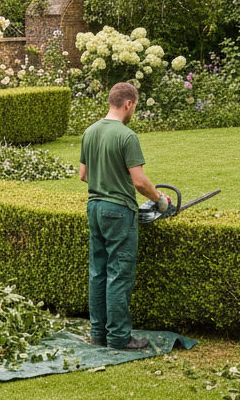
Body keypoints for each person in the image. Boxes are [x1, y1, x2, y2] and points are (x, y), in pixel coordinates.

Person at [79, 81, 171, 351]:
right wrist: (160, 201)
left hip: (94, 208)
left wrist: (105, 184)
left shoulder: (90, 132)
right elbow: (140, 182)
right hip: (118, 211)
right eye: (135, 107)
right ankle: (119, 337)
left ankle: (98, 334)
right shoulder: (126, 136)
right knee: (119, 274)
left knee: (98, 272)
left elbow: (84, 175)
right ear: (128, 103)